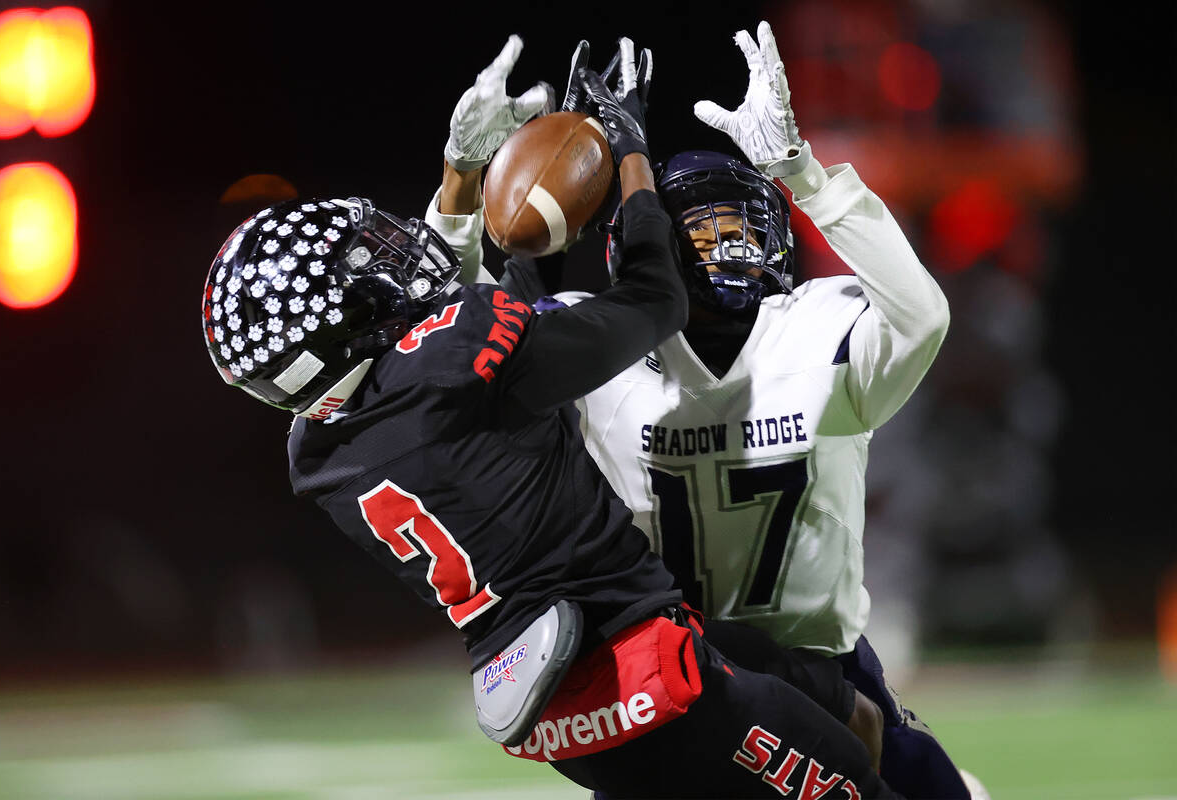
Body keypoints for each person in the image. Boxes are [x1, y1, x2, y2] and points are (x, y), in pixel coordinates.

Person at [200, 35, 901, 799]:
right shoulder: (447, 365)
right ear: (338, 322)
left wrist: (468, 177)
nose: (392, 255)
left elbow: (490, 329)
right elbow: (650, 302)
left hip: (551, 702)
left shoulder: (319, 451)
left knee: (852, 716)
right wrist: (627, 148)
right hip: (645, 673)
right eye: (364, 266)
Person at [444, 24, 986, 800]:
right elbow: (452, 349)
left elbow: (924, 318)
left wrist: (800, 170)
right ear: (651, 244)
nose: (725, 242)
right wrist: (464, 184)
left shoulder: (815, 325)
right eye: (698, 228)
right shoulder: (600, 347)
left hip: (816, 659)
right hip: (669, 673)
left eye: (738, 221)